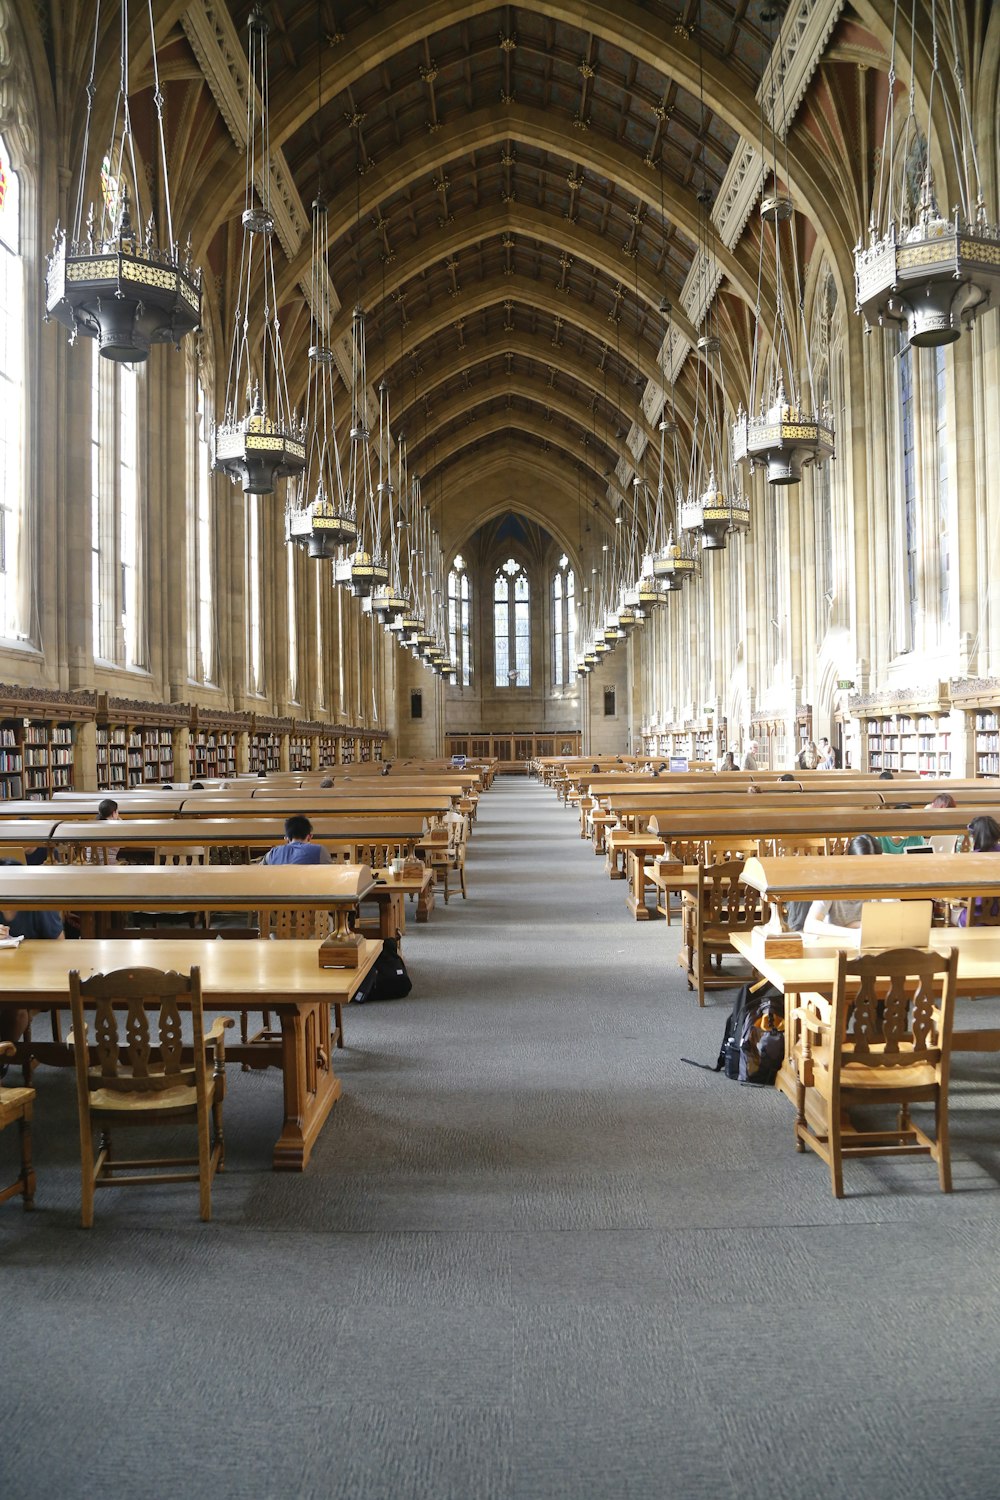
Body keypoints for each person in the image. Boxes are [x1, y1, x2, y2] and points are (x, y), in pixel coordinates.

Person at [0, 857, 64, 1051]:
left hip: (33, 978)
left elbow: (60, 946)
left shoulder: (36, 903)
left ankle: (2, 1058)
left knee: (14, 1011)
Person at [804, 833, 882, 936]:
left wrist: (856, 925)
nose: (870, 875)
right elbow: (810, 925)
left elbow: (895, 921)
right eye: (863, 869)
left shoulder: (879, 881)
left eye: (874, 869)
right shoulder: (833, 883)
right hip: (836, 947)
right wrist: (854, 932)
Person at [958, 816, 1000, 926]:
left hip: (975, 918)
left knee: (955, 914)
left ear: (974, 836)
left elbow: (962, 892)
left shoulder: (971, 859)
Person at [262, 814, 332, 865]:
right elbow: (330, 874)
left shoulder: (272, 853)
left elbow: (259, 871)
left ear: (286, 838)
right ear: (309, 837)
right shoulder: (320, 851)